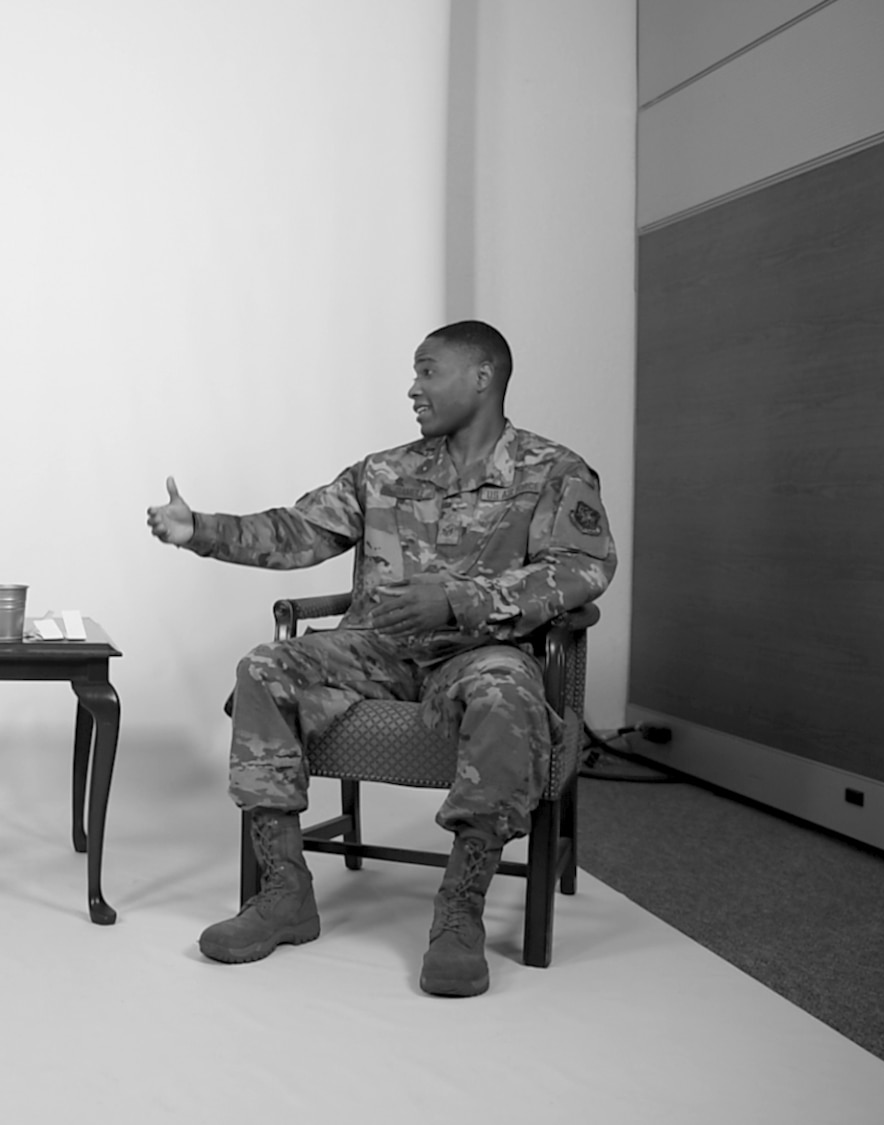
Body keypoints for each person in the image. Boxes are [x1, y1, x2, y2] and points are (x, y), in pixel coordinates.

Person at [145, 320, 614, 997]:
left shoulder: (554, 472)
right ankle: (285, 891)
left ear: (482, 377)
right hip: (380, 647)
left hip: (483, 651)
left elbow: (583, 569)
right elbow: (298, 531)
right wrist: (202, 530)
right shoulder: (385, 472)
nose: (412, 388)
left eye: (428, 371)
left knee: (509, 695)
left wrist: (462, 601)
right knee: (264, 666)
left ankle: (460, 909)